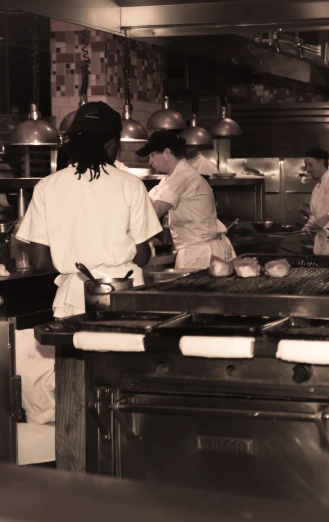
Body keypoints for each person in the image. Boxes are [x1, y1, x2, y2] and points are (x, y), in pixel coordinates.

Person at [14, 102, 162, 441]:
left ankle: (77, 447)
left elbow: (38, 260)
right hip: (123, 295)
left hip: (72, 297)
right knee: (121, 375)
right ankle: (126, 444)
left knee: (74, 375)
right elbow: (140, 254)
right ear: (112, 144)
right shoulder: (129, 185)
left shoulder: (48, 186)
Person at [137, 130, 235, 268]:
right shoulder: (170, 179)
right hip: (201, 251)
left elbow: (153, 210)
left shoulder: (182, 177)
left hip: (201, 254)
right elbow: (143, 202)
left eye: (152, 155)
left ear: (167, 152)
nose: (150, 161)